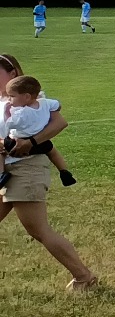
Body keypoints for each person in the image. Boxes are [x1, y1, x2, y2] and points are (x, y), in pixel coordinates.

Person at [0, 70, 95, 289]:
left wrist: (31, 141)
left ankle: (83, 277)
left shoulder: (30, 101)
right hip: (6, 167)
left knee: (38, 230)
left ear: (12, 73)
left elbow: (59, 122)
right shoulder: (7, 102)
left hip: (26, 167)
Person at [1, 70, 76, 188]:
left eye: (12, 96)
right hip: (41, 142)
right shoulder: (45, 103)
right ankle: (64, 172)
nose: (10, 100)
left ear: (26, 97)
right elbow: (57, 105)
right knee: (52, 152)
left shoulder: (21, 112)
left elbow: (10, 125)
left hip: (18, 143)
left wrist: (7, 114)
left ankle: (2, 174)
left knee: (1, 151)